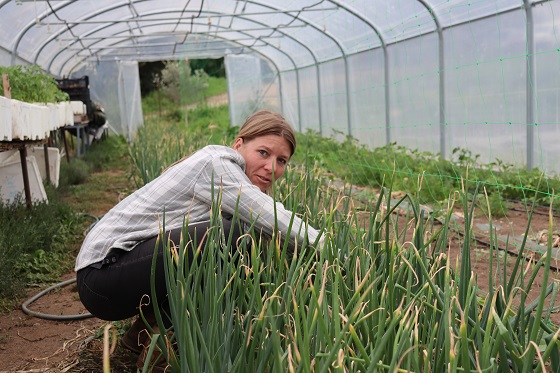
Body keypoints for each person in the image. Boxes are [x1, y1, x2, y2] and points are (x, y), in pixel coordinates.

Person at [74, 109, 322, 364]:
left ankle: (142, 337)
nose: (271, 167)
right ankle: (160, 355)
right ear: (239, 144)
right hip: (101, 276)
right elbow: (274, 218)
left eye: (282, 161)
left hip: (114, 274)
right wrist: (332, 250)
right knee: (238, 234)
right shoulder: (217, 166)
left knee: (222, 244)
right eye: (263, 152)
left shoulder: (227, 170)